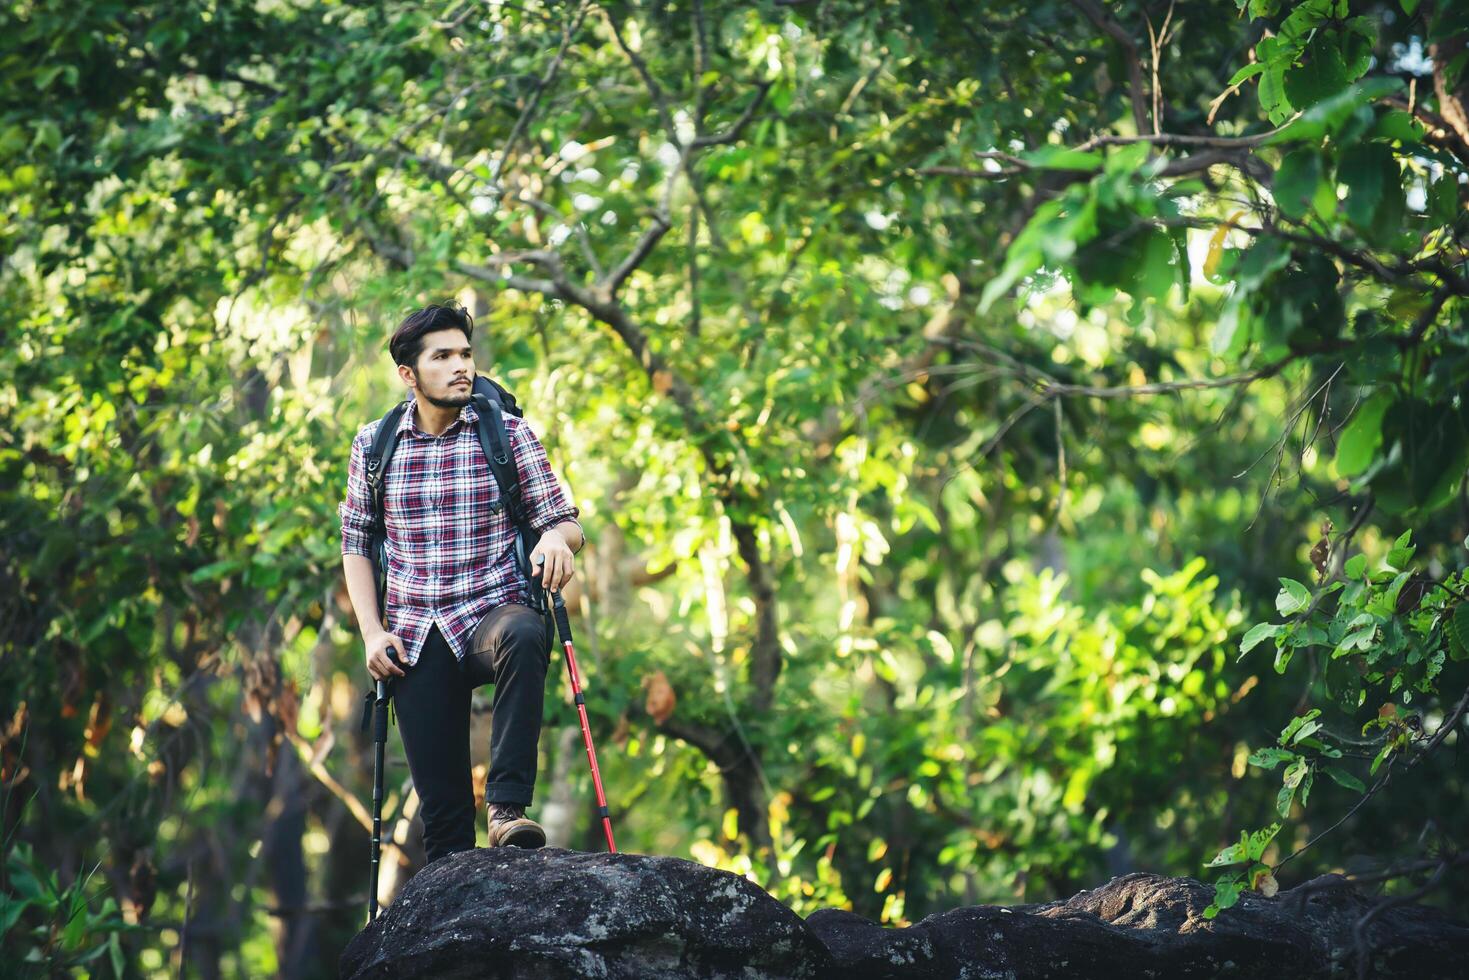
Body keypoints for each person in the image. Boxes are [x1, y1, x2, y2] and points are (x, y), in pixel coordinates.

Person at [337, 302, 584, 863]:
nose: (460, 366)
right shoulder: (374, 445)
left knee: (524, 631)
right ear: (408, 374)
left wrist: (554, 540)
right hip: (414, 639)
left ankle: (506, 810)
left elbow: (565, 522)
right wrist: (372, 633)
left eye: (465, 354)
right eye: (442, 356)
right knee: (445, 832)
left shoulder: (508, 434)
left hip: (490, 617)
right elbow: (355, 543)